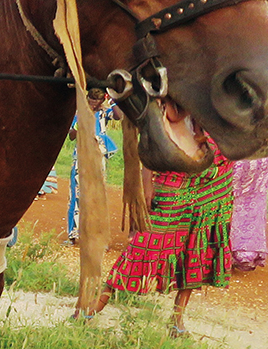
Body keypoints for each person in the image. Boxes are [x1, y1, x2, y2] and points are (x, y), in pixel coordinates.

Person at [85, 145, 233, 338]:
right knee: (145, 243)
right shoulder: (175, 112)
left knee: (197, 247)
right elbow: (151, 135)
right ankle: (94, 307)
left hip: (216, 180)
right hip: (176, 177)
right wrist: (146, 184)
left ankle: (177, 319)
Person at [64, 91, 119, 242]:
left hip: (98, 157)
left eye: (98, 99)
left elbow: (119, 116)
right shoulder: (78, 112)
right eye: (92, 98)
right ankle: (73, 234)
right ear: (86, 97)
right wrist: (80, 124)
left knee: (97, 195)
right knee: (76, 194)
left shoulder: (104, 113)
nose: (94, 102)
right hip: (81, 156)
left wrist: (113, 98)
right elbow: (71, 135)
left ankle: (96, 235)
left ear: (103, 99)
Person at [228, 157, 268, 271]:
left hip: (237, 158)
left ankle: (225, 252)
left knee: (230, 199)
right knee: (254, 202)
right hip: (261, 159)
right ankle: (245, 253)